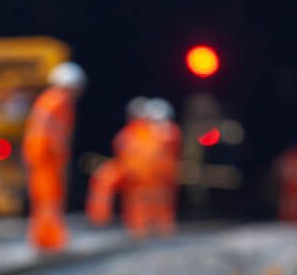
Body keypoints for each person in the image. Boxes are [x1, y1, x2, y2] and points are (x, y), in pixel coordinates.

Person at [87, 98, 181, 237]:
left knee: (158, 206)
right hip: (139, 177)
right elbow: (122, 148)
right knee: (140, 206)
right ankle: (105, 221)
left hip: (156, 178)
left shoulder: (164, 132)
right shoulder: (136, 132)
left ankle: (158, 230)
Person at [22, 61, 86, 251]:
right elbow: (51, 135)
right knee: (49, 199)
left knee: (45, 200)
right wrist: (55, 156)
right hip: (46, 159)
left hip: (43, 158)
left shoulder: (50, 101)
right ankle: (50, 239)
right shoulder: (56, 102)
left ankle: (44, 238)